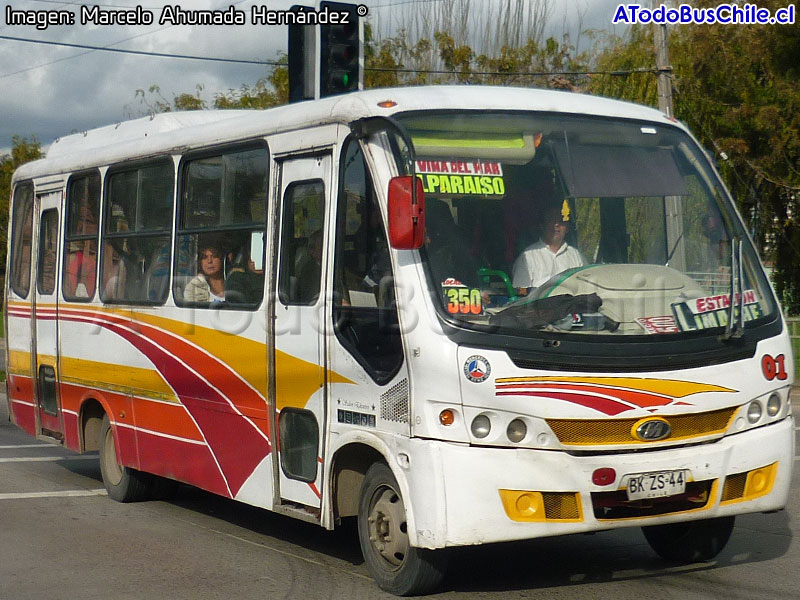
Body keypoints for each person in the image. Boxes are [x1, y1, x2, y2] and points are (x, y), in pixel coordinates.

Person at [512, 201, 584, 291]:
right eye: (551, 220)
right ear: (542, 226)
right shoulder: (527, 257)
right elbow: (521, 294)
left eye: (561, 221)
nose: (557, 225)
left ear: (567, 228)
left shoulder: (576, 255)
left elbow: (586, 287)